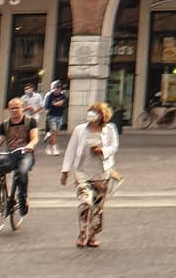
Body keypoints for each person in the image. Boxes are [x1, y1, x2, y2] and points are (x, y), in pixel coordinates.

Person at [60, 101, 119, 247]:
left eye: (95, 111)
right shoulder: (80, 129)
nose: (91, 114)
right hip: (82, 172)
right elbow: (71, 150)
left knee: (97, 207)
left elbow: (114, 146)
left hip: (101, 172)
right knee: (86, 202)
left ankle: (92, 235)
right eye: (90, 111)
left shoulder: (109, 129)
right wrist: (65, 171)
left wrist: (102, 151)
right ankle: (82, 233)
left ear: (102, 115)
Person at [0, 97, 40, 213]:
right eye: (11, 108)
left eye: (17, 108)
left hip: (25, 154)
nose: (14, 110)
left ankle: (22, 197)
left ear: (23, 108)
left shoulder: (30, 122)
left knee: (21, 172)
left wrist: (30, 145)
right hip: (10, 154)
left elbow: (35, 138)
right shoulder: (4, 125)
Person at [42, 81, 68, 155]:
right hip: (52, 116)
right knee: (54, 131)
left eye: (59, 89)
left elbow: (65, 104)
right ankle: (54, 147)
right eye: (56, 89)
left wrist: (61, 104)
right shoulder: (50, 95)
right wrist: (54, 105)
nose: (57, 90)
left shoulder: (63, 96)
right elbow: (46, 106)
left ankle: (49, 146)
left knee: (56, 133)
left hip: (59, 116)